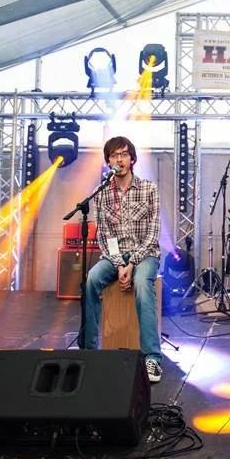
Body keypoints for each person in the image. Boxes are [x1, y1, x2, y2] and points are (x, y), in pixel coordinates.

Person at [83, 136, 164, 383]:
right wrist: (119, 264)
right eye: (114, 155)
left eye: (124, 154)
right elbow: (105, 235)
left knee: (141, 283)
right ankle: (88, 352)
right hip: (116, 255)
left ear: (132, 159)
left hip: (145, 253)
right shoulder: (102, 193)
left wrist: (131, 264)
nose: (119, 159)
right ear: (108, 161)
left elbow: (153, 234)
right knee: (91, 279)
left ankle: (152, 358)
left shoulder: (149, 189)